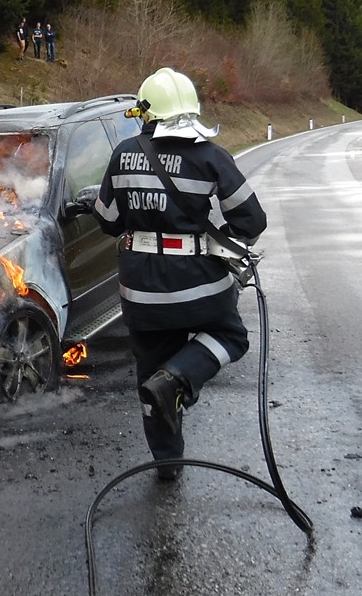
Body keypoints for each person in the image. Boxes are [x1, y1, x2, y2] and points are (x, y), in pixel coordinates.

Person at [92, 67, 266, 481]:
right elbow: (252, 220)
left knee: (150, 374)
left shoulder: (123, 154)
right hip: (199, 282)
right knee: (230, 335)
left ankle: (167, 465)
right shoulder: (211, 156)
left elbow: (108, 221)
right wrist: (222, 237)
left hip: (141, 291)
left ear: (146, 113)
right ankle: (181, 376)